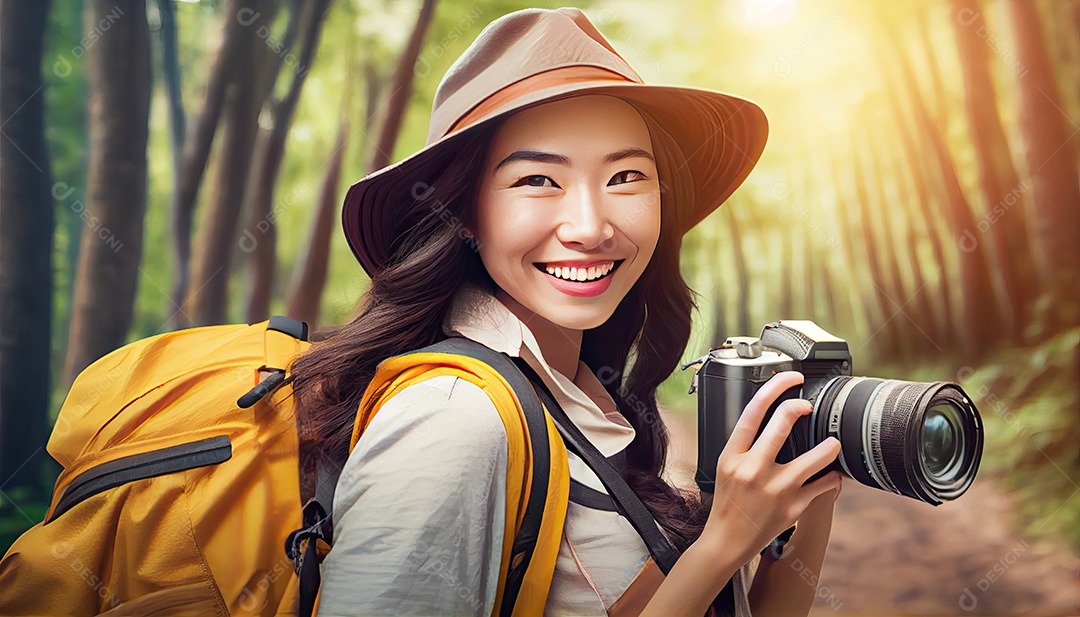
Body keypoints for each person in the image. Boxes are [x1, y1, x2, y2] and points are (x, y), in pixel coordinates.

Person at [294, 7, 843, 616]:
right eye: (537, 180)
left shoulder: (575, 393)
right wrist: (722, 542)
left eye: (627, 175)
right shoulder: (453, 421)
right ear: (466, 215)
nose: (590, 227)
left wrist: (810, 498)